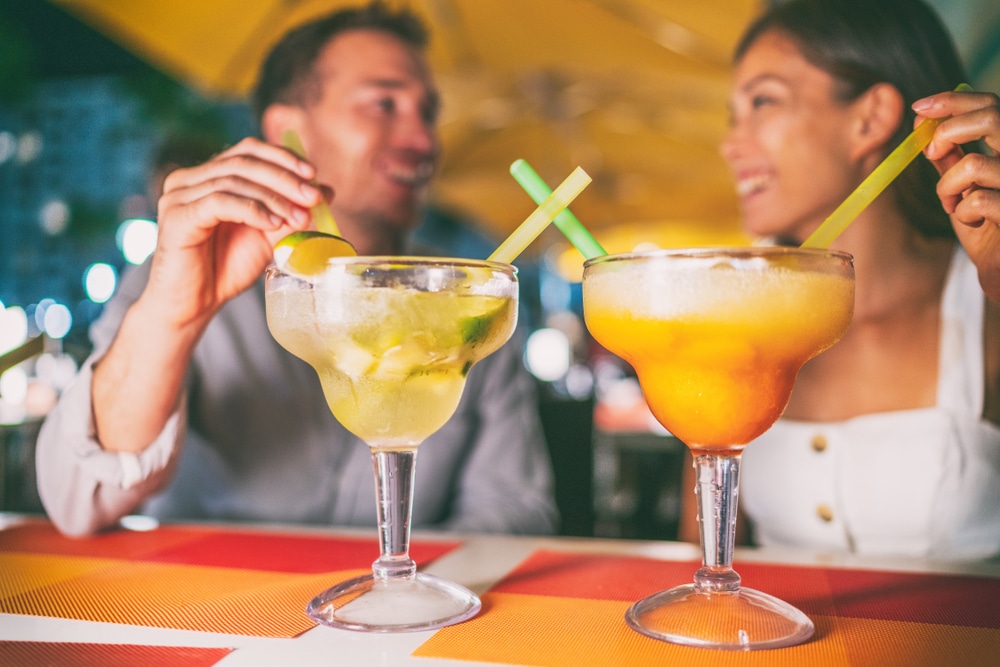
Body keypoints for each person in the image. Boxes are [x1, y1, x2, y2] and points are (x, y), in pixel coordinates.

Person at [35, 1, 557, 537]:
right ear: (289, 130)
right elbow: (76, 499)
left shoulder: (467, 301)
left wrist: (401, 579)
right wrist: (175, 316)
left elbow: (516, 508)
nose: (424, 141)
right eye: (383, 104)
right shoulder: (186, 273)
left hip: (421, 594)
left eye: (427, 113)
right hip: (221, 591)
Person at [678, 0, 1000, 559]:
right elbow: (704, 561)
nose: (730, 144)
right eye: (734, 114)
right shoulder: (731, 320)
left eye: (762, 101)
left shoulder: (988, 297)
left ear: (870, 119)